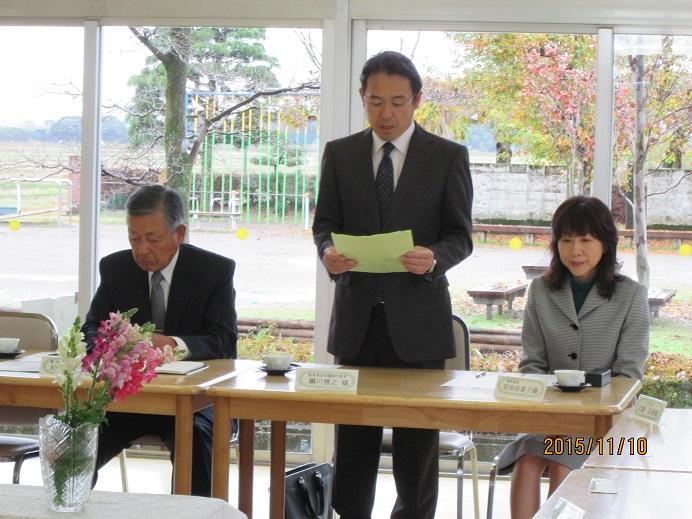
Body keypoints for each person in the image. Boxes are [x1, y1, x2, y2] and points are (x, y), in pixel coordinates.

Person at [312, 51, 473, 519]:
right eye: (376, 102)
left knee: (416, 448)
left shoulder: (447, 157)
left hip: (419, 322)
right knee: (353, 443)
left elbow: (460, 237)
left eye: (398, 102)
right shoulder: (340, 154)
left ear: (417, 100)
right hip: (357, 320)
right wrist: (328, 252)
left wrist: (434, 257)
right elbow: (325, 226)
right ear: (362, 98)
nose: (386, 113)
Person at [497, 195, 649, 519]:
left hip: (605, 425)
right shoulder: (540, 290)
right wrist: (551, 409)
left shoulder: (631, 295)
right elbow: (532, 364)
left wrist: (581, 412)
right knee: (527, 461)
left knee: (562, 461)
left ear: (606, 244)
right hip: (548, 415)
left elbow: (629, 376)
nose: (575, 250)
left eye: (586, 240)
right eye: (566, 240)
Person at [82, 184, 237, 497]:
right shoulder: (115, 268)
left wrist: (172, 344)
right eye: (133, 238)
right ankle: (65, 508)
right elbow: (92, 329)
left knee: (195, 435)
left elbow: (223, 341)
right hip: (129, 398)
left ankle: (194, 515)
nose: (142, 250)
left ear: (179, 233)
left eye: (152, 239)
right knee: (76, 429)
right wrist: (116, 346)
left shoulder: (213, 271)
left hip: (195, 401)